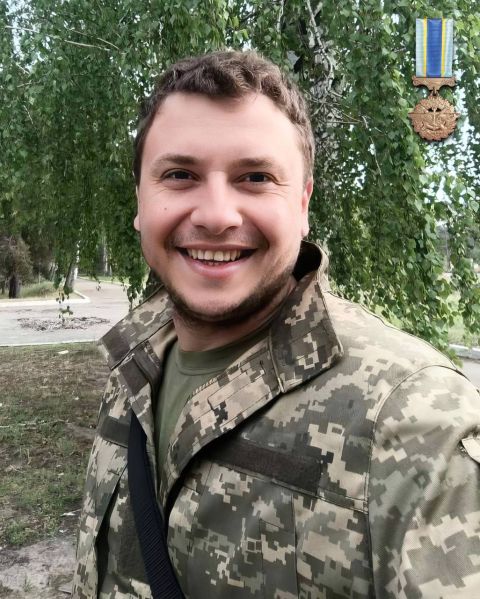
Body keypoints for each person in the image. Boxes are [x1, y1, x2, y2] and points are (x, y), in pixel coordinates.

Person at [73, 50, 480, 599]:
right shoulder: (132, 366)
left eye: (256, 177)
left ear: (303, 203)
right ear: (140, 202)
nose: (217, 215)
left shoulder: (415, 420)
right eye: (179, 175)